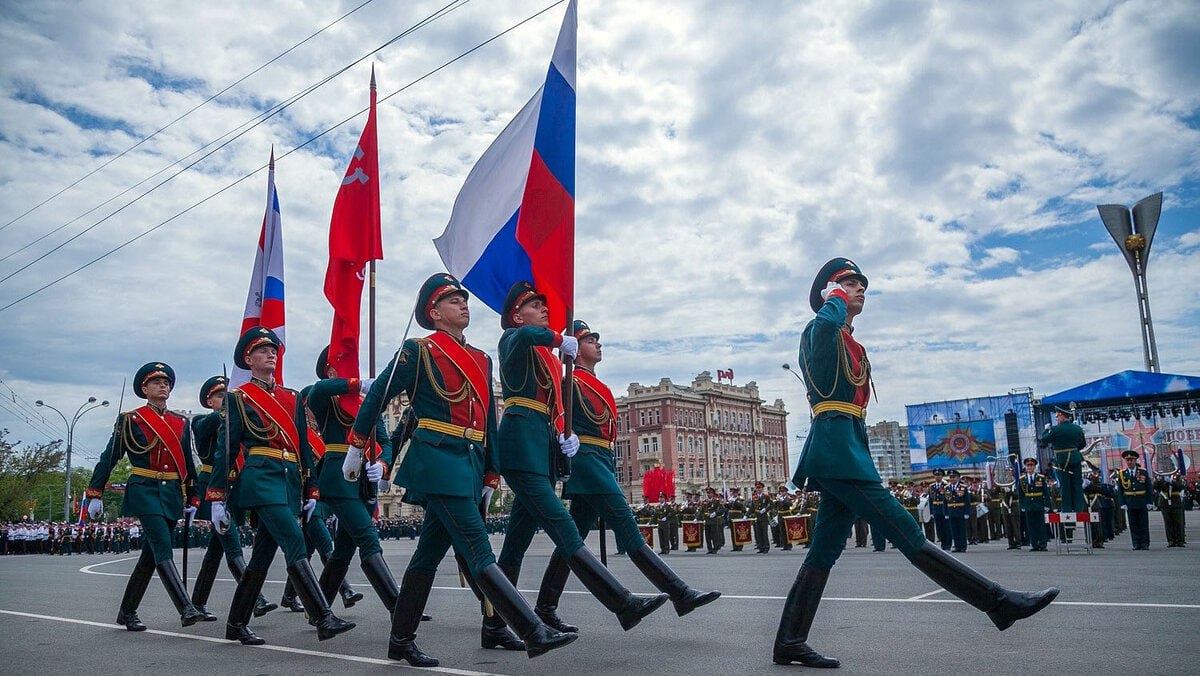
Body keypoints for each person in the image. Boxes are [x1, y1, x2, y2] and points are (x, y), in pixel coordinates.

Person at [774, 258, 1057, 668]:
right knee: (909, 535)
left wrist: (838, 302)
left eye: (861, 285)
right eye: (850, 284)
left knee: (823, 551)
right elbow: (823, 331)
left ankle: (789, 640)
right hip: (837, 453)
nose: (860, 290)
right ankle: (997, 603)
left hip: (848, 450)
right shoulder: (820, 331)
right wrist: (832, 300)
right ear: (829, 293)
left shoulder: (851, 342)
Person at [349, 274, 576, 665]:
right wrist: (355, 446)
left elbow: (487, 421)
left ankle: (400, 640)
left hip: (468, 464)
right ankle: (530, 629)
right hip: (438, 460)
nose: (464, 305)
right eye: (453, 300)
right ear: (434, 313)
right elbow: (380, 394)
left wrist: (491, 473)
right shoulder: (418, 350)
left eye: (464, 300)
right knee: (478, 548)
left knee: (426, 558)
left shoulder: (481, 358)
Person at [494, 281, 671, 634]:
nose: (545, 309)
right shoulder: (511, 340)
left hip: (539, 453)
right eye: (535, 304)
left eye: (545, 303)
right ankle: (621, 603)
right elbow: (526, 337)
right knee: (565, 529)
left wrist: (564, 436)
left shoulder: (543, 357)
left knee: (514, 546)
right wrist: (561, 341)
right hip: (520, 448)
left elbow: (557, 406)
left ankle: (494, 624)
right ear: (517, 314)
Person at [529, 320, 720, 634]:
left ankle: (545, 608)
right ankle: (679, 593)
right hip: (587, 463)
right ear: (575, 348)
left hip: (601, 461)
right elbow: (555, 414)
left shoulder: (596, 384)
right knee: (629, 531)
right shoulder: (569, 381)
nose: (598, 344)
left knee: (569, 542)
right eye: (590, 339)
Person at [208, 327, 355, 645]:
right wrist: (217, 497)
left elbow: (303, 446)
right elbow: (227, 449)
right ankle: (323, 617)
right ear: (248, 359)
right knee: (293, 540)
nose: (271, 354)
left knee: (261, 557)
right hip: (261, 478)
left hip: (289, 481)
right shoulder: (239, 399)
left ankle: (236, 624)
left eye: (273, 349)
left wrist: (311, 489)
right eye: (262, 350)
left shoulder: (293, 397)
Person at [85, 362, 205, 631]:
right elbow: (109, 458)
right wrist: (95, 492)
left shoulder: (180, 422)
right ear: (144, 388)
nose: (163, 386)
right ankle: (185, 606)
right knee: (163, 545)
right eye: (157, 382)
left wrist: (193, 497)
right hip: (145, 489)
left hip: (172, 492)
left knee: (150, 557)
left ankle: (127, 612)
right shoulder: (131, 419)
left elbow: (187, 462)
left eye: (166, 383)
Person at [302, 347, 396, 611]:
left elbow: (384, 442)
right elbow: (318, 391)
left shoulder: (366, 402)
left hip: (364, 481)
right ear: (330, 370)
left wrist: (382, 464)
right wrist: (357, 384)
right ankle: (399, 608)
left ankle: (317, 610)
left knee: (343, 551)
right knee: (368, 538)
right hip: (339, 478)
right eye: (343, 363)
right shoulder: (325, 398)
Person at [188, 375, 277, 621]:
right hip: (214, 489)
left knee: (216, 550)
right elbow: (214, 424)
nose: (224, 400)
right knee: (232, 544)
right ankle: (255, 598)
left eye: (226, 395)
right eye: (220, 396)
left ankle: (197, 602)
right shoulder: (202, 421)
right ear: (209, 401)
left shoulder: (236, 419)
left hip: (234, 488)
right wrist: (235, 404)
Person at [1042, 407, 1086, 514]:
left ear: (1062, 416)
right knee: (1076, 484)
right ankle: (1078, 508)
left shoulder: (1055, 429)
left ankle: (1067, 509)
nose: (1056, 419)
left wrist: (1046, 430)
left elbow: (1045, 440)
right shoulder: (1077, 428)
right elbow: (1082, 444)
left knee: (1065, 484)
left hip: (1062, 459)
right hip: (1075, 458)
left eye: (1057, 416)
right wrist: (1074, 449)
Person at [1116, 450, 1153, 550]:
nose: (1129, 462)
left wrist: (1150, 502)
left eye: (1131, 460)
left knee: (1143, 524)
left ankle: (1145, 543)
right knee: (1133, 525)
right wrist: (1122, 503)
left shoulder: (1143, 472)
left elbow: (1149, 488)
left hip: (1141, 501)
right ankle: (1136, 543)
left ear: (1135, 460)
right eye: (1127, 460)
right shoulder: (1122, 474)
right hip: (1130, 502)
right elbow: (1120, 490)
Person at [1017, 458, 1050, 551]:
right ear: (1026, 467)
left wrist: (1047, 504)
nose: (1030, 467)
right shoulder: (1022, 479)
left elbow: (1046, 492)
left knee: (1041, 525)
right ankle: (1034, 544)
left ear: (1035, 467)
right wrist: (1022, 505)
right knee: (1031, 526)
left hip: (1038, 504)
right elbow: (1021, 494)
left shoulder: (1041, 477)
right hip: (1028, 505)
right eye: (1028, 466)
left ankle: (1043, 544)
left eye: (1031, 465)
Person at [1154, 471, 1187, 547]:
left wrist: (1171, 482)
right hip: (1164, 502)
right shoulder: (1161, 476)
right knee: (1168, 522)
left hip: (1175, 501)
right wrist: (1158, 480)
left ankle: (1180, 540)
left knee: (1179, 522)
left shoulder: (1177, 476)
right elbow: (1155, 487)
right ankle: (1171, 540)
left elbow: (1181, 486)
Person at [945, 469, 971, 553]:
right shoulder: (947, 488)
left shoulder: (963, 487)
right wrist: (946, 513)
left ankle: (963, 546)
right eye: (951, 477)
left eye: (954, 477)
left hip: (960, 511)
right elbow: (945, 502)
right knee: (954, 530)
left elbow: (967, 501)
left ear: (958, 478)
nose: (952, 479)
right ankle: (957, 546)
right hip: (951, 511)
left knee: (962, 530)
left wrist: (967, 512)